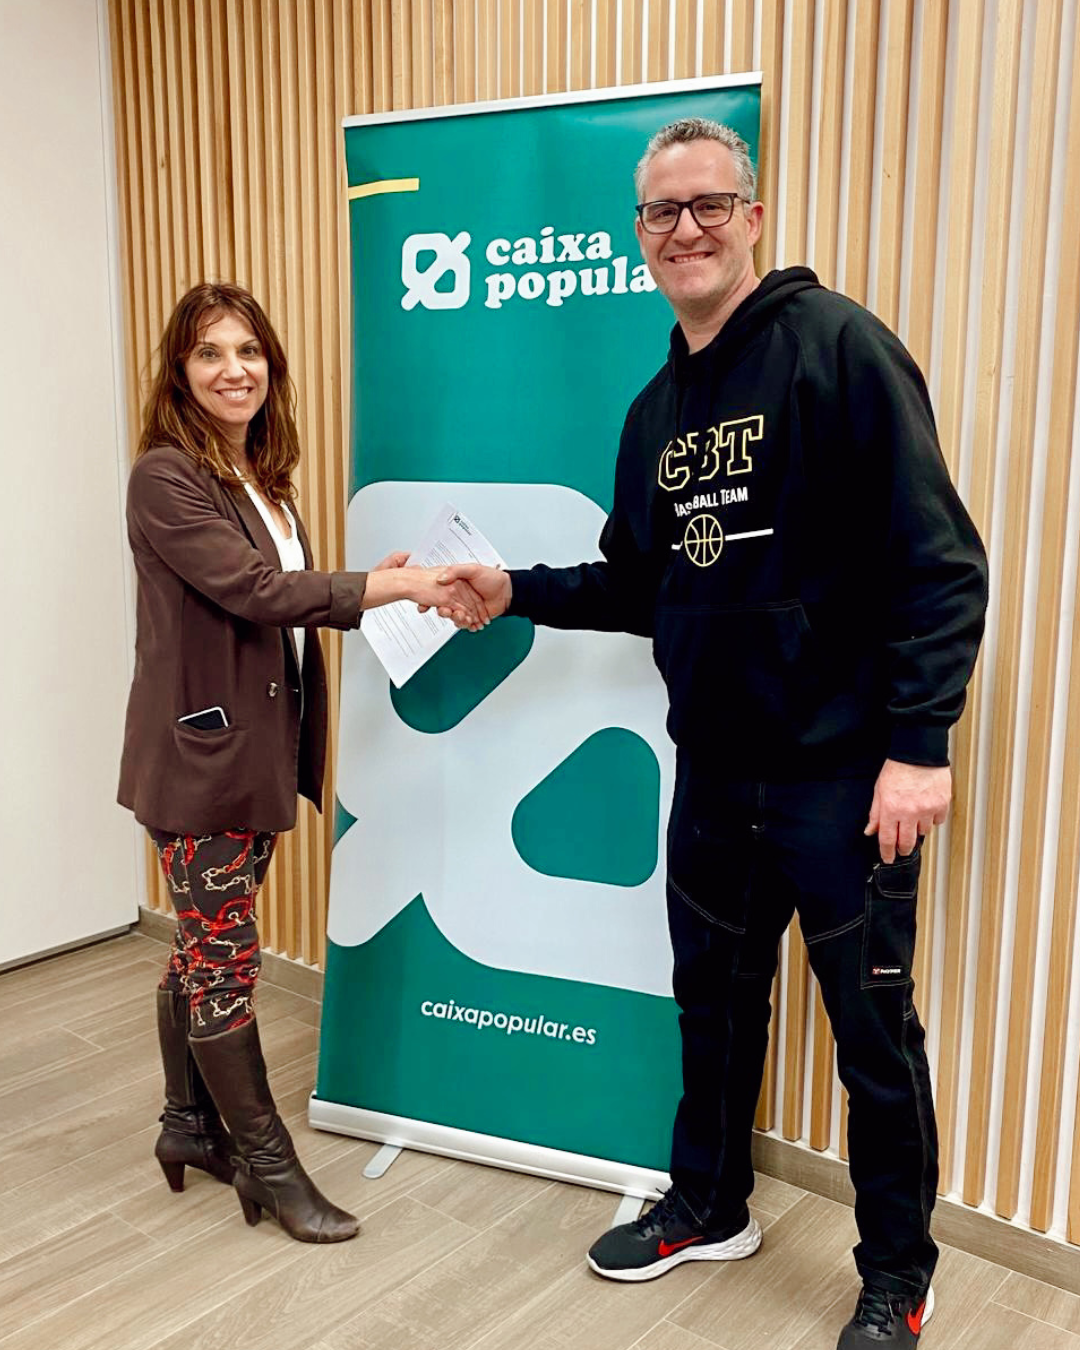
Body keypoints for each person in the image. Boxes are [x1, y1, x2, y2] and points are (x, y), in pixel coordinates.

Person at [437, 120, 988, 1347]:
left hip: (842, 778)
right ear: (640, 234)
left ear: (751, 216)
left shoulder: (837, 347)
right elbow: (641, 585)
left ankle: (899, 1274)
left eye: (708, 205)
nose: (685, 229)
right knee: (714, 1011)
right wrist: (513, 589)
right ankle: (710, 1205)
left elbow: (941, 561)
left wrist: (919, 745)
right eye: (662, 212)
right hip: (715, 776)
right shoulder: (654, 412)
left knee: (874, 1041)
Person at [118, 282, 487, 1244]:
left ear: (270, 366)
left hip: (255, 754)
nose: (233, 369)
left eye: (248, 351)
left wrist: (382, 585)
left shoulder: (261, 480)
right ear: (180, 372)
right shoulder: (165, 476)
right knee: (224, 961)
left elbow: (285, 597)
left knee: (203, 945)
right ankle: (269, 1167)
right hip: (199, 762)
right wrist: (400, 584)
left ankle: (188, 1125)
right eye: (210, 353)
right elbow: (255, 590)